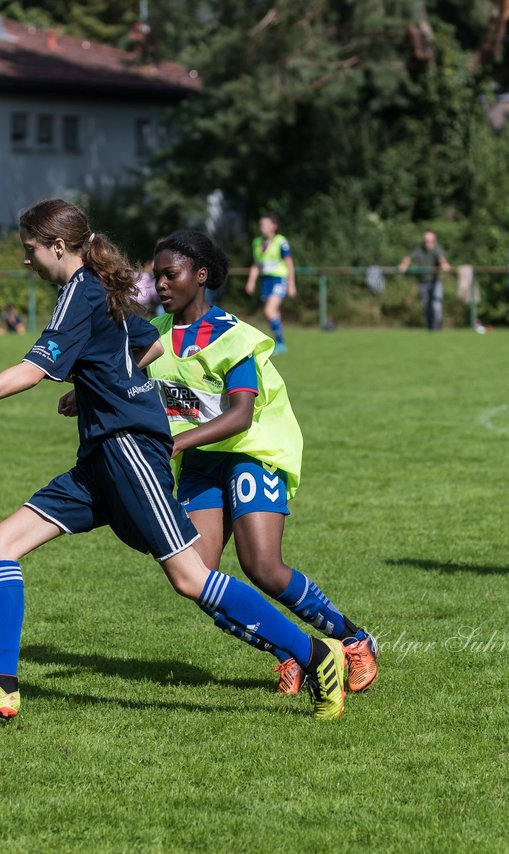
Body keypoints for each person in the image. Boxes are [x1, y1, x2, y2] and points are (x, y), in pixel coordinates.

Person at [0, 199, 347, 720]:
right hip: (99, 454)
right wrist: (97, 384)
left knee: (190, 577)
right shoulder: (95, 289)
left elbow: (33, 370)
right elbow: (150, 348)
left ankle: (319, 655)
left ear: (57, 246)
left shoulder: (81, 291)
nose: (26, 260)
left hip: (128, 449)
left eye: (30, 250)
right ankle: (3, 684)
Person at [140, 230, 380, 694]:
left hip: (252, 451)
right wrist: (83, 394)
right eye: (157, 277)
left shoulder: (232, 336)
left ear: (201, 275)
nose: (161, 285)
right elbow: (126, 378)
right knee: (196, 578)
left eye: (171, 274)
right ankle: (293, 652)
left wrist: (176, 442)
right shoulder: (157, 337)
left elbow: (240, 415)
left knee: (263, 566)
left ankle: (354, 640)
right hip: (202, 463)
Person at [244, 214, 295, 353]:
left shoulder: (281, 241)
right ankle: (281, 343)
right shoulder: (257, 242)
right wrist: (251, 281)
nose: (262, 227)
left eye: (265, 224)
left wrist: (291, 284)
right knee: (274, 313)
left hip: (279, 279)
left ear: (274, 226)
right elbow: (256, 264)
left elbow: (289, 263)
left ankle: (279, 342)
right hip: (266, 280)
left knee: (269, 311)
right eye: (261, 224)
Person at [398, 231, 452, 330]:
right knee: (427, 306)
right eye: (426, 241)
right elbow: (408, 258)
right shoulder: (419, 249)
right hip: (423, 282)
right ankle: (430, 328)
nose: (428, 243)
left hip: (435, 282)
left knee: (437, 304)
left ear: (434, 241)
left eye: (430, 241)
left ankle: (437, 328)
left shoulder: (437, 249)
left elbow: (442, 259)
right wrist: (404, 265)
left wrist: (444, 264)